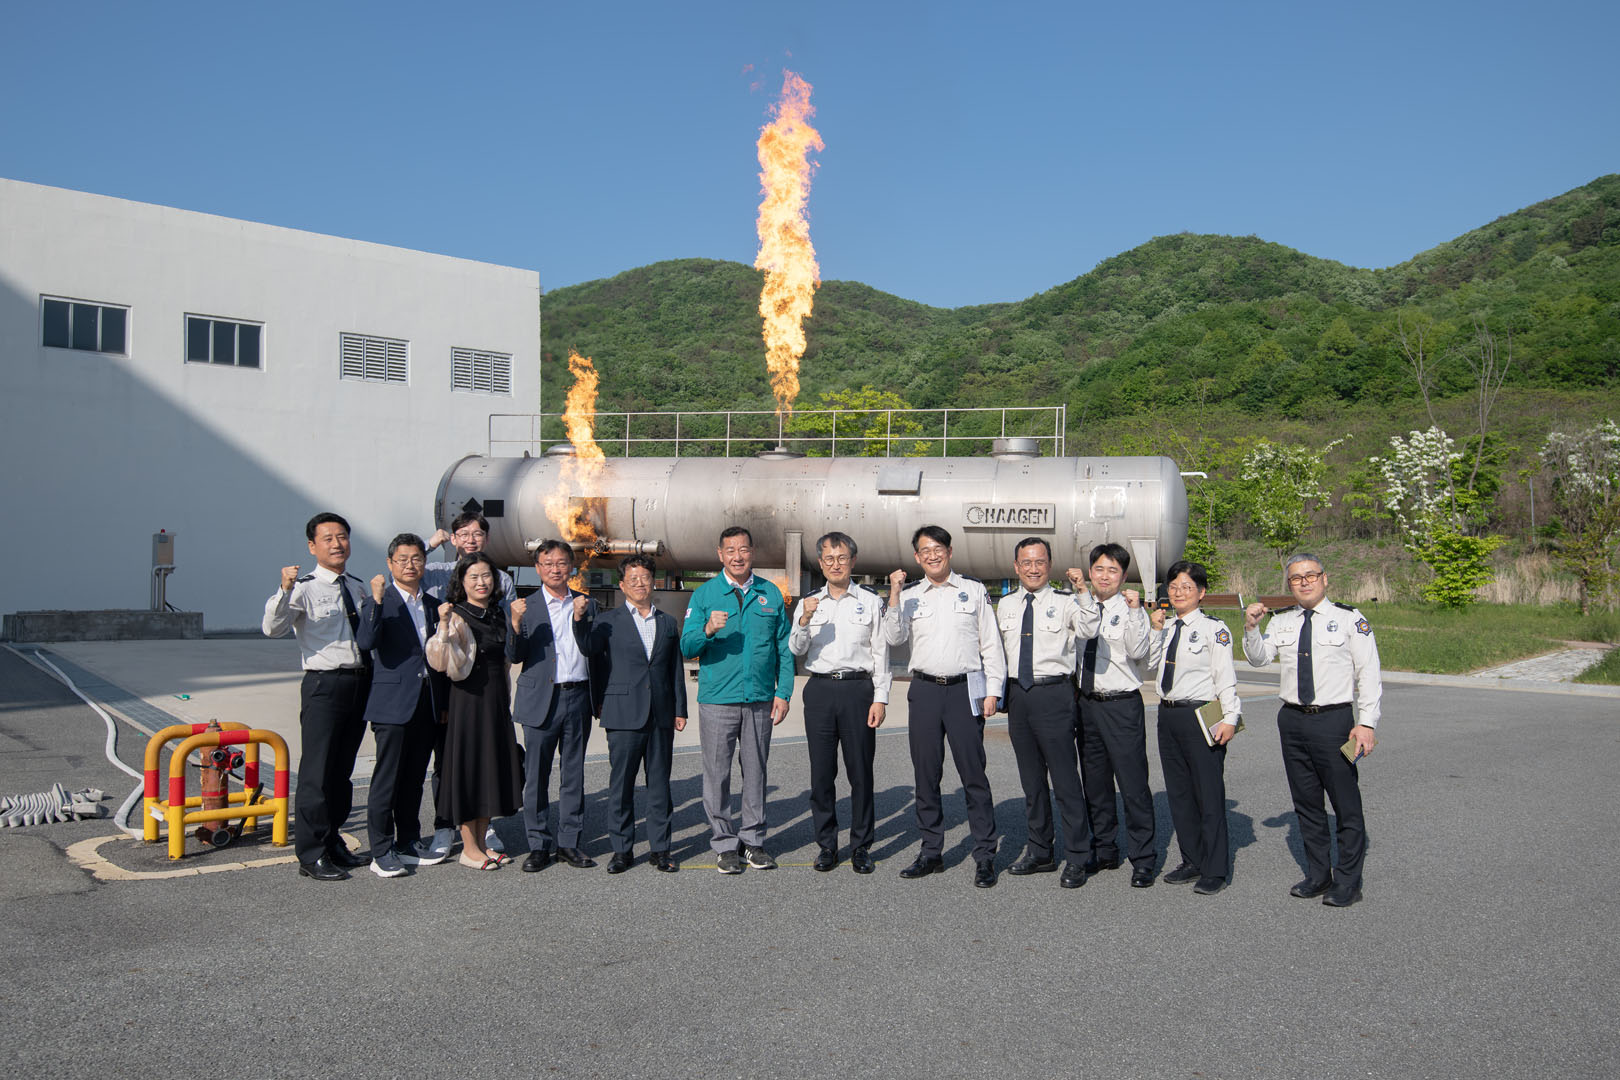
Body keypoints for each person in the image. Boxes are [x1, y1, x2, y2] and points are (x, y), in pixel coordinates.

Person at [1244, 553, 1382, 908]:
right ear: (1289, 584)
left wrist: (1366, 722)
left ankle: (1348, 881)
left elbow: (1368, 673)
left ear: (1325, 578)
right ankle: (1319, 875)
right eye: (1296, 578)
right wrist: (1252, 629)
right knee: (1306, 803)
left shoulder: (1349, 619)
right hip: (1292, 720)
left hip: (1334, 721)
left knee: (1345, 803)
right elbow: (1259, 659)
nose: (1304, 582)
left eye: (1310, 575)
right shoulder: (1282, 621)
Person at [884, 525, 1004, 889]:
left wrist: (994, 691)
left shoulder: (973, 590)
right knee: (926, 775)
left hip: (965, 690)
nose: (932, 555)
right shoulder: (909, 595)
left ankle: (985, 855)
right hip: (924, 691)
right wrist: (894, 594)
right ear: (917, 557)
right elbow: (893, 637)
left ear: (949, 552)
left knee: (974, 775)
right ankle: (931, 851)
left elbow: (991, 643)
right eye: (925, 550)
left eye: (938, 548)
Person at [262, 511, 372, 882]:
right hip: (324, 685)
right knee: (317, 772)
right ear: (312, 546)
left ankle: (332, 839)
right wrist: (284, 589)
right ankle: (311, 854)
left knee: (342, 772)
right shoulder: (304, 588)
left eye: (342, 537)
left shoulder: (357, 586)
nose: (337, 544)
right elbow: (272, 628)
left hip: (359, 682)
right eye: (328, 538)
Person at [679, 526, 794, 874]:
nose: (737, 556)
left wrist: (783, 692)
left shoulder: (770, 594)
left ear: (752, 552)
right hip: (718, 700)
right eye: (730, 550)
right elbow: (687, 647)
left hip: (760, 698)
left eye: (743, 549)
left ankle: (754, 841)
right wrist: (708, 630)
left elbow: (784, 648)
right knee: (717, 774)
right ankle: (725, 843)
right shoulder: (704, 595)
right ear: (720, 554)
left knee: (756, 771)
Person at [995, 537, 1098, 889]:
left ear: (1049, 565)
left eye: (1039, 562)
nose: (1033, 568)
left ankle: (1078, 855)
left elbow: (1090, 628)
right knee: (1032, 781)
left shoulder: (1066, 602)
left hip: (1054, 694)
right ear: (1016, 567)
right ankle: (1040, 851)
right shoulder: (1006, 605)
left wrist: (1082, 590)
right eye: (1026, 562)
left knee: (1065, 780)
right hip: (1019, 696)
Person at [788, 531, 890, 875]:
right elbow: (796, 648)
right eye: (829, 559)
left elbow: (880, 653)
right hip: (819, 690)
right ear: (820, 563)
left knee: (860, 772)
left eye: (842, 558)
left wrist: (880, 698)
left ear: (853, 561)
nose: (836, 565)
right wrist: (804, 619)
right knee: (821, 774)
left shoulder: (870, 601)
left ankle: (861, 846)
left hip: (857, 690)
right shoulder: (809, 602)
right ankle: (827, 845)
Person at [416, 510, 514, 861]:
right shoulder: (439, 578)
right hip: (457, 690)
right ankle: (451, 831)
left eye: (478, 533)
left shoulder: (500, 592)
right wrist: (430, 543)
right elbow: (407, 564)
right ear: (454, 538)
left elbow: (508, 643)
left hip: (493, 692)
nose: (481, 581)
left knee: (487, 762)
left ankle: (483, 834)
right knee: (455, 762)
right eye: (464, 534)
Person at [582, 555, 688, 873]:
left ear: (653, 582)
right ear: (622, 585)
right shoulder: (607, 621)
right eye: (633, 578)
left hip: (660, 714)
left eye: (645, 577)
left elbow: (674, 669)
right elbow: (592, 657)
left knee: (659, 785)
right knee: (621, 786)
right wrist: (599, 701)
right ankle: (622, 850)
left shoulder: (667, 622)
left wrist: (679, 709)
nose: (640, 583)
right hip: (622, 713)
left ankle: (661, 849)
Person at [355, 533, 449, 878]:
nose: (411, 565)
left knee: (413, 778)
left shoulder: (432, 604)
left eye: (417, 558)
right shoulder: (380, 600)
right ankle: (381, 850)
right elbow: (366, 641)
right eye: (403, 559)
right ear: (390, 563)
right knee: (388, 779)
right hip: (392, 704)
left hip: (426, 701)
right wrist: (377, 601)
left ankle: (409, 841)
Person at [1148, 560, 1241, 896]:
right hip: (1168, 714)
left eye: (1186, 587)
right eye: (1173, 587)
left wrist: (1230, 717)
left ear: (1201, 592)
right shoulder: (1166, 627)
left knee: (1208, 794)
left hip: (1202, 714)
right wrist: (1154, 631)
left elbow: (1224, 676)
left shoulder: (1214, 629)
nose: (1178, 592)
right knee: (1180, 794)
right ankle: (1192, 860)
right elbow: (1150, 664)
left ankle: (1215, 869)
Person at [508, 540, 600, 872]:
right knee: (536, 775)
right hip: (541, 699)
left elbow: (594, 649)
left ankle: (569, 842)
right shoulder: (524, 606)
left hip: (578, 696)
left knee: (573, 773)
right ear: (537, 569)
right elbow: (514, 655)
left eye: (561, 563)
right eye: (548, 564)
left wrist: (581, 619)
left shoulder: (586, 603)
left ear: (571, 567)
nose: (555, 569)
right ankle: (538, 844)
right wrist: (515, 624)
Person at [1071, 542, 1156, 888]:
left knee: (1133, 784)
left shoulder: (1132, 610)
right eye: (1099, 569)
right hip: (1087, 704)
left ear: (1123, 576)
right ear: (1090, 572)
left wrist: (1136, 613)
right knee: (1095, 783)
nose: (1105, 576)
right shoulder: (1079, 606)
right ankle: (1104, 848)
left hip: (1121, 705)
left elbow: (1137, 651)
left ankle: (1143, 858)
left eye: (1113, 570)